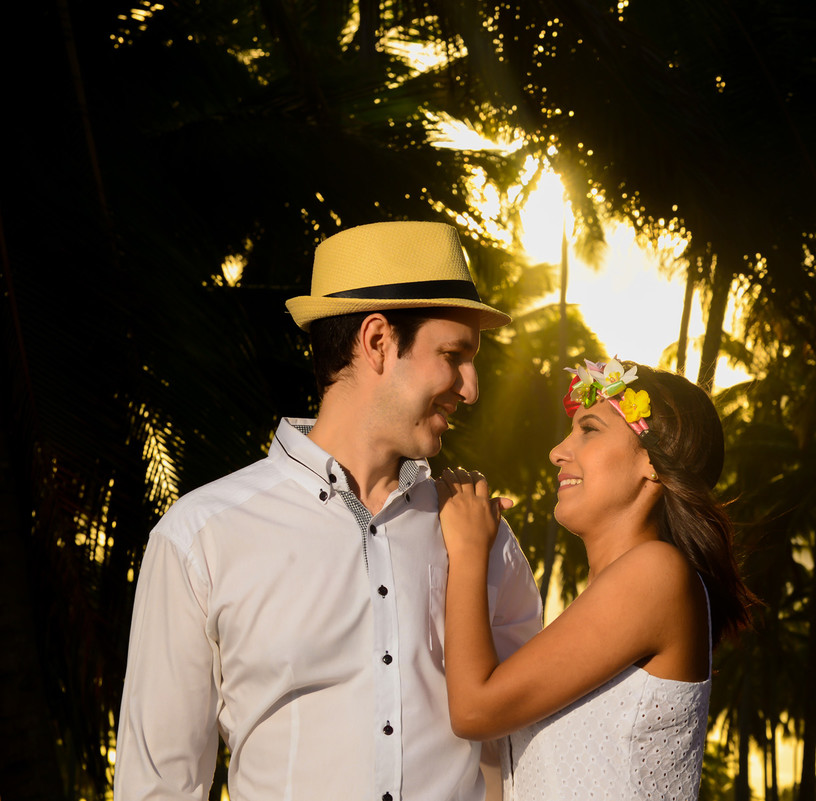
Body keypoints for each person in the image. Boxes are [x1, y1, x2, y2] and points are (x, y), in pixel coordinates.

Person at [114, 221, 542, 800]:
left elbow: (524, 748)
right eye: (454, 355)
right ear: (377, 341)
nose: (471, 389)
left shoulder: (481, 532)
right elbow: (160, 786)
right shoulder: (201, 538)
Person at [436, 357, 755, 800]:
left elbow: (474, 709)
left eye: (589, 430)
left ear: (653, 464)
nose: (557, 452)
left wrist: (469, 549)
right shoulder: (625, 595)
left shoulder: (657, 573)